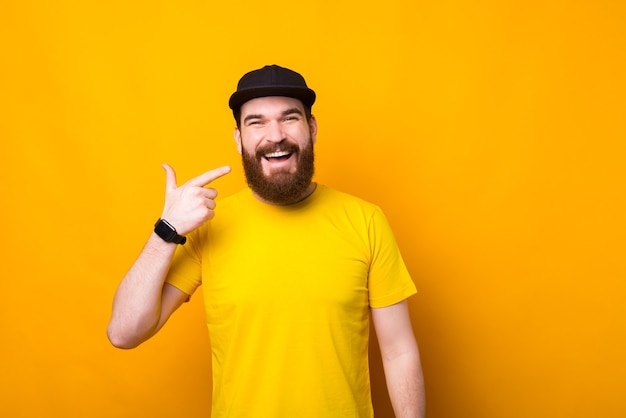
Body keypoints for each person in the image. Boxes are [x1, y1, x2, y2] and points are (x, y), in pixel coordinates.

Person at [107, 64, 425, 418]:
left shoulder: (365, 221)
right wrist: (166, 230)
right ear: (239, 138)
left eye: (289, 118)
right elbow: (124, 332)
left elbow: (399, 351)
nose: (275, 135)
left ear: (312, 128)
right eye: (256, 122)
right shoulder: (208, 226)